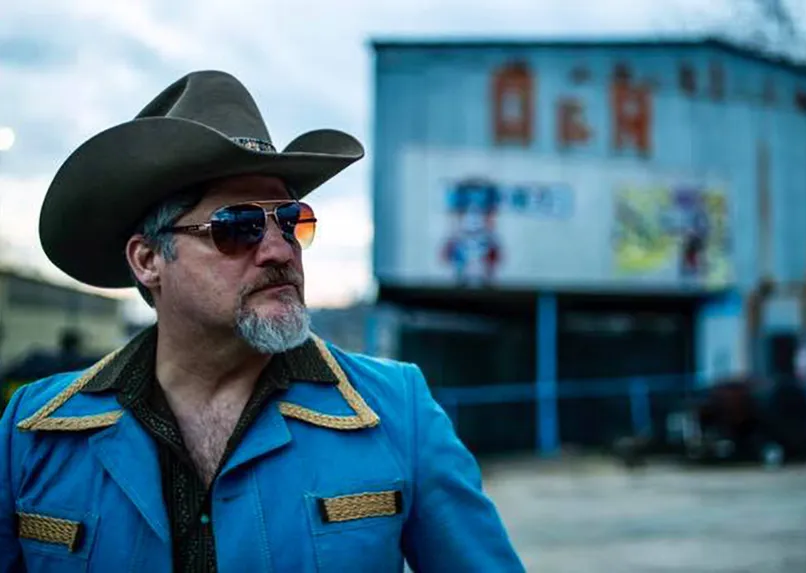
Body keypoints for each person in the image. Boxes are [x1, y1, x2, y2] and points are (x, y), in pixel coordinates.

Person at [0, 70, 525, 572]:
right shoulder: (34, 432)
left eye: (293, 221)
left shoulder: (395, 411)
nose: (280, 249)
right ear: (148, 260)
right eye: (238, 226)